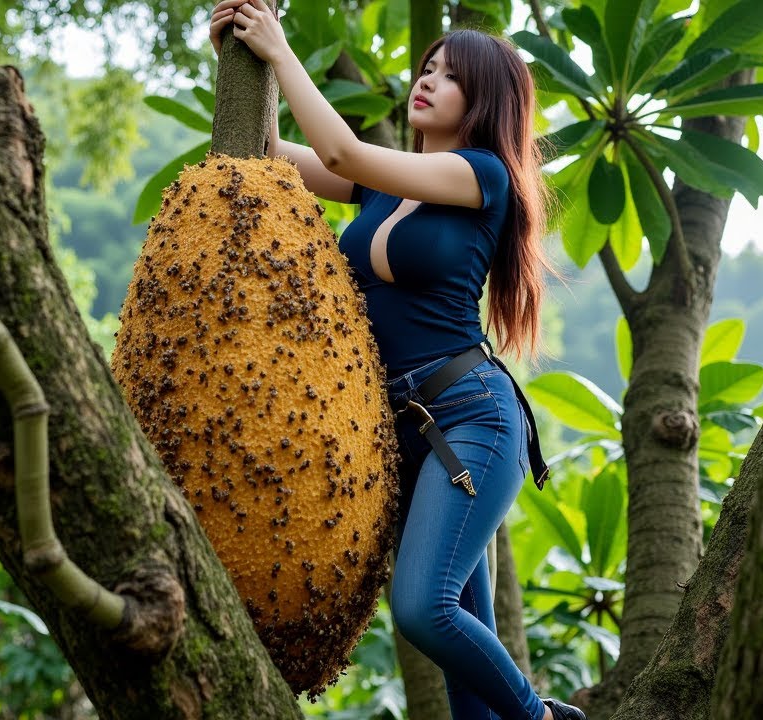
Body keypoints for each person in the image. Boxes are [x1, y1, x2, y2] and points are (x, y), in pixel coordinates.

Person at [209, 3, 584, 720]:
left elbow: (345, 153)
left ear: (487, 101)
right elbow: (267, 154)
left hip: (471, 420)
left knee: (423, 611)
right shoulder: (384, 186)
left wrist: (283, 50)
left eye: (451, 76)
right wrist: (238, 53)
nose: (428, 81)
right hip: (398, 438)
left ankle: (543, 718)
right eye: (427, 68)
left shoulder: (482, 177)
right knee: (466, 697)